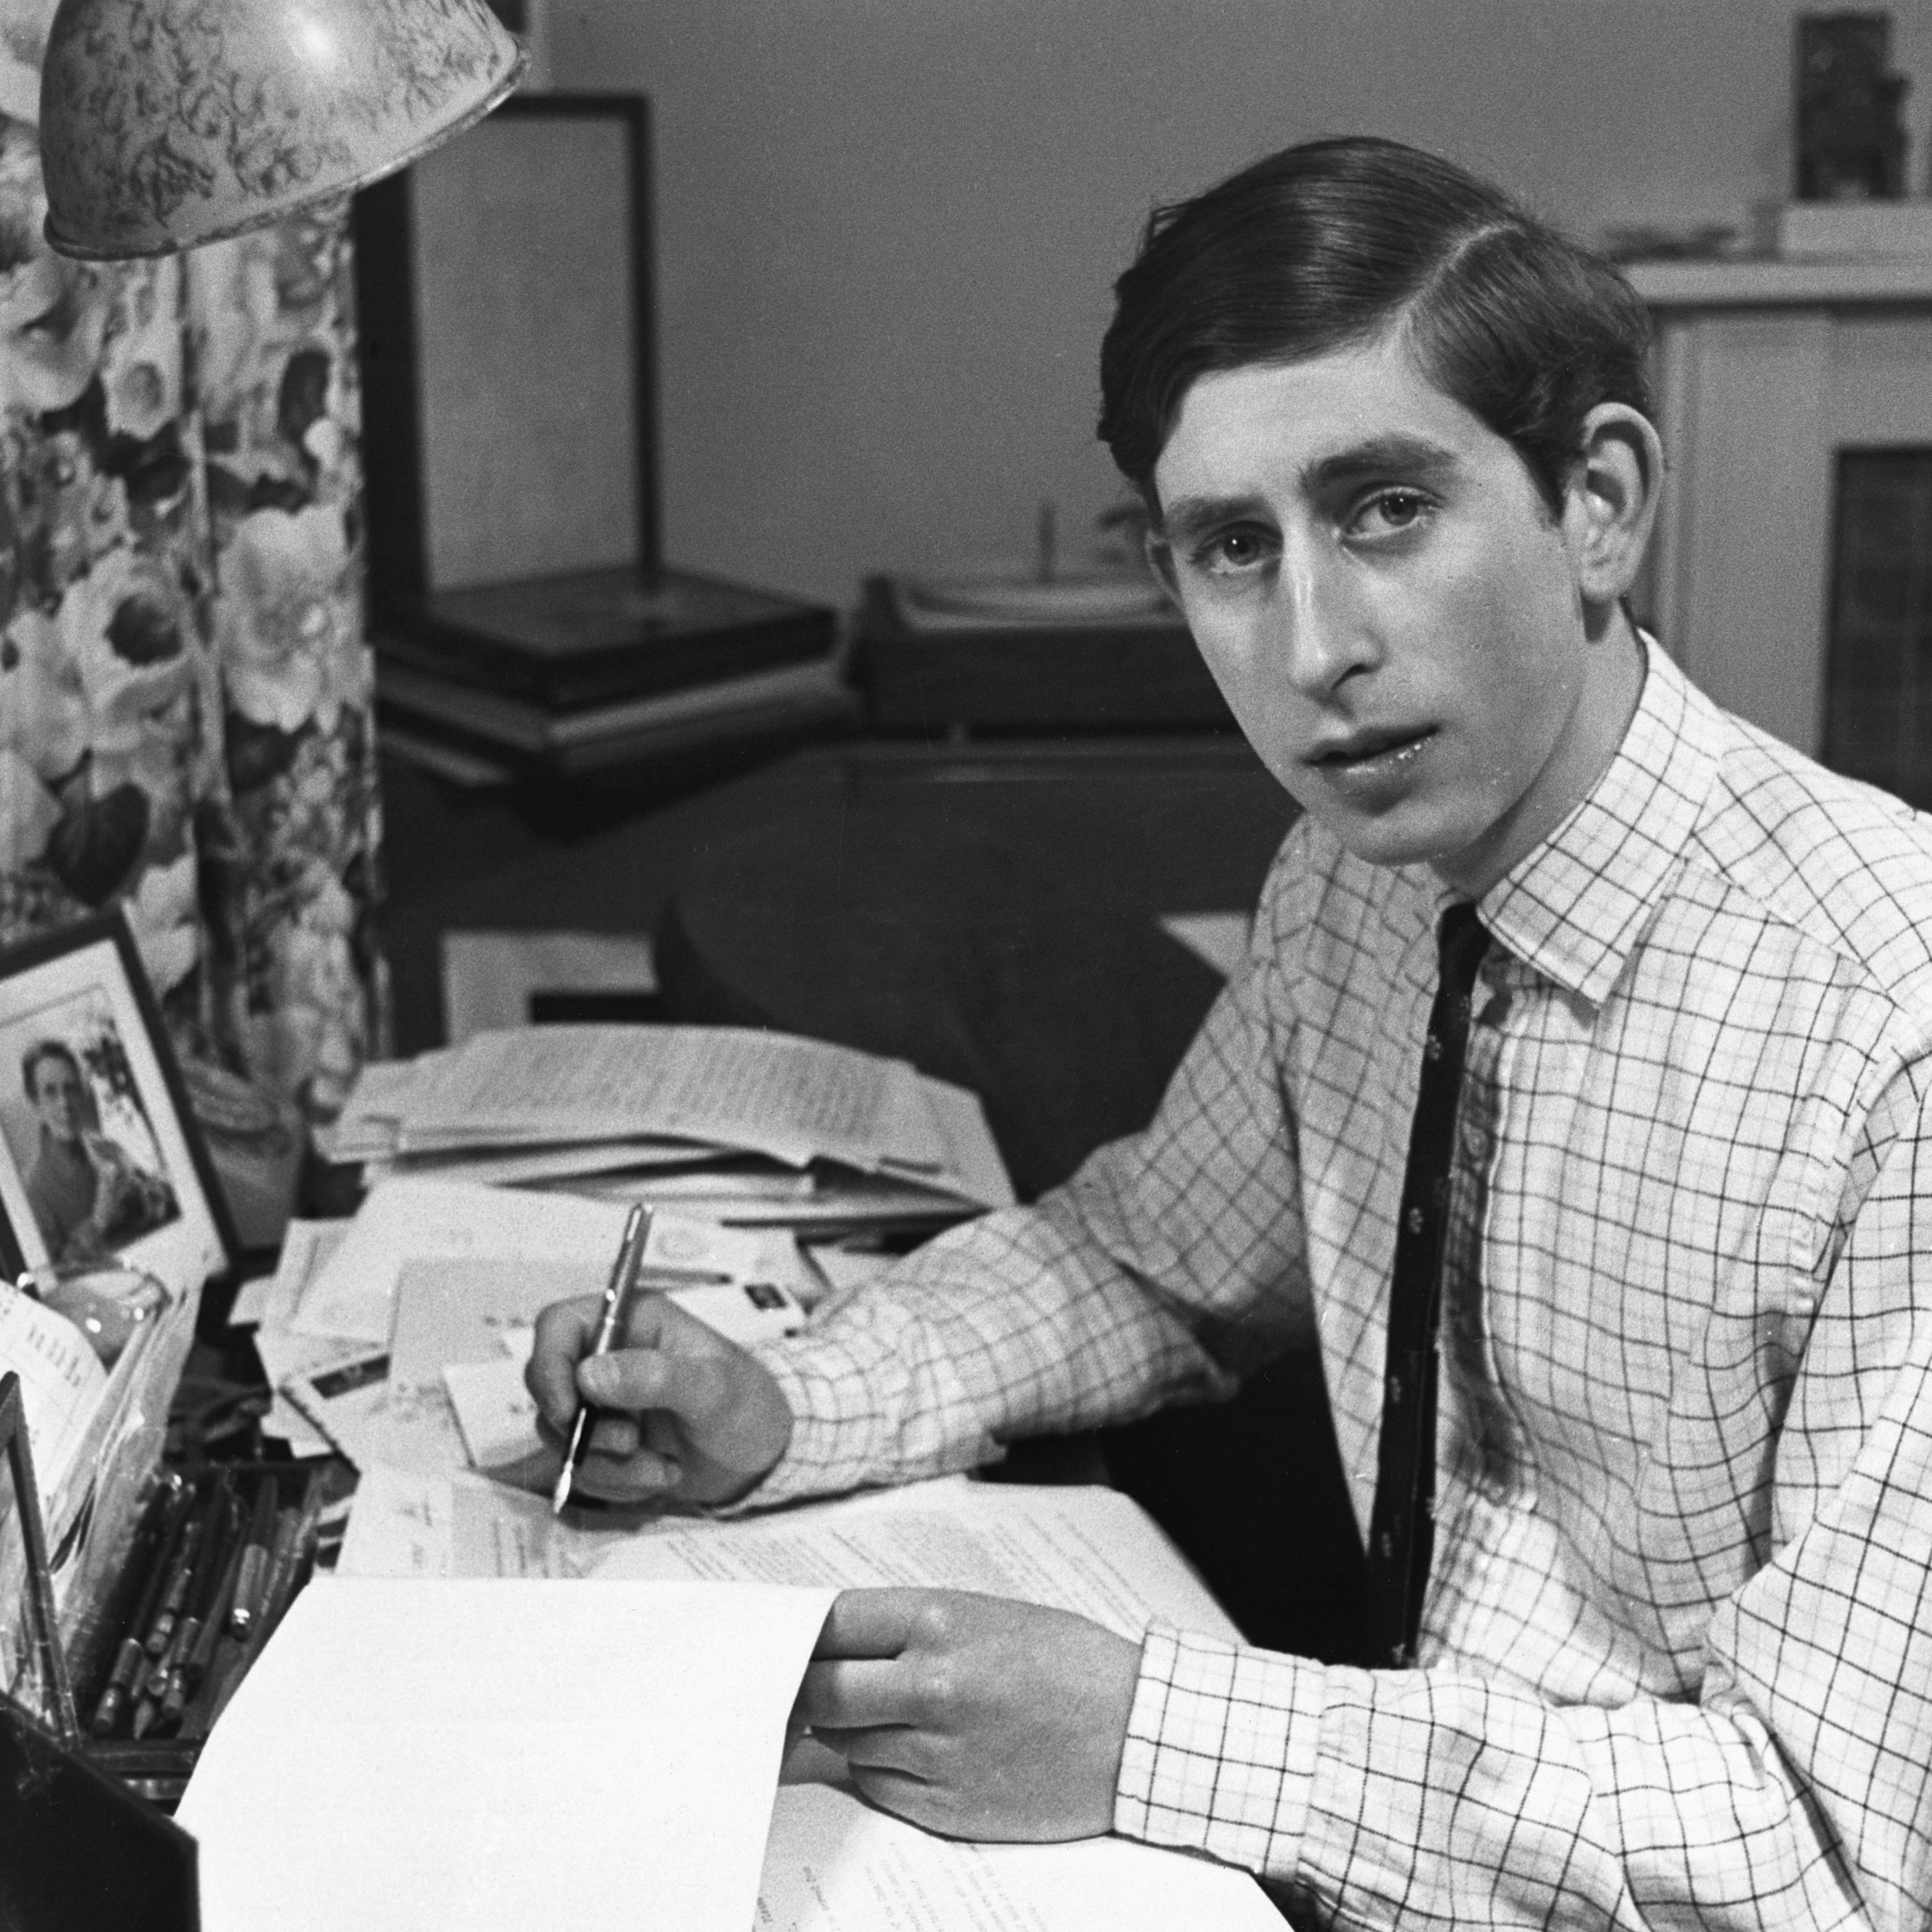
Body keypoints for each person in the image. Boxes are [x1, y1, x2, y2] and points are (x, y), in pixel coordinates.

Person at [526, 137, 1932, 1927]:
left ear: (1596, 501)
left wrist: (1144, 1736)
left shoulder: (1885, 1025)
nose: (1311, 647)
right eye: (1231, 548)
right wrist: (782, 1401)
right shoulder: (1348, 881)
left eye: (1385, 508)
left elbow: (1828, 1848)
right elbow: (1150, 1260)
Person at [20, 1039, 175, 1264]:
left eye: (70, 1089)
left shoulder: (105, 1147)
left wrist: (148, 1196)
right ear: (35, 1103)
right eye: (50, 1092)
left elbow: (157, 1207)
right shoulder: (33, 1189)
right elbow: (54, 1273)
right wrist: (99, 1221)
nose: (65, 1103)